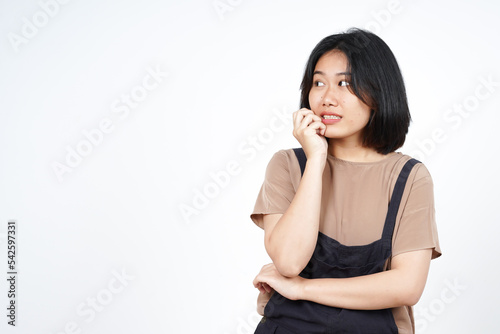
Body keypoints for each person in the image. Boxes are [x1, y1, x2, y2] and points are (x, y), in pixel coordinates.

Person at [250, 28, 441, 334]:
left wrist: (302, 289)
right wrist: (315, 160)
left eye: (345, 83)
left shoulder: (409, 178)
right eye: (318, 82)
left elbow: (406, 286)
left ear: (378, 92)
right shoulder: (288, 165)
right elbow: (288, 261)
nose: (327, 98)